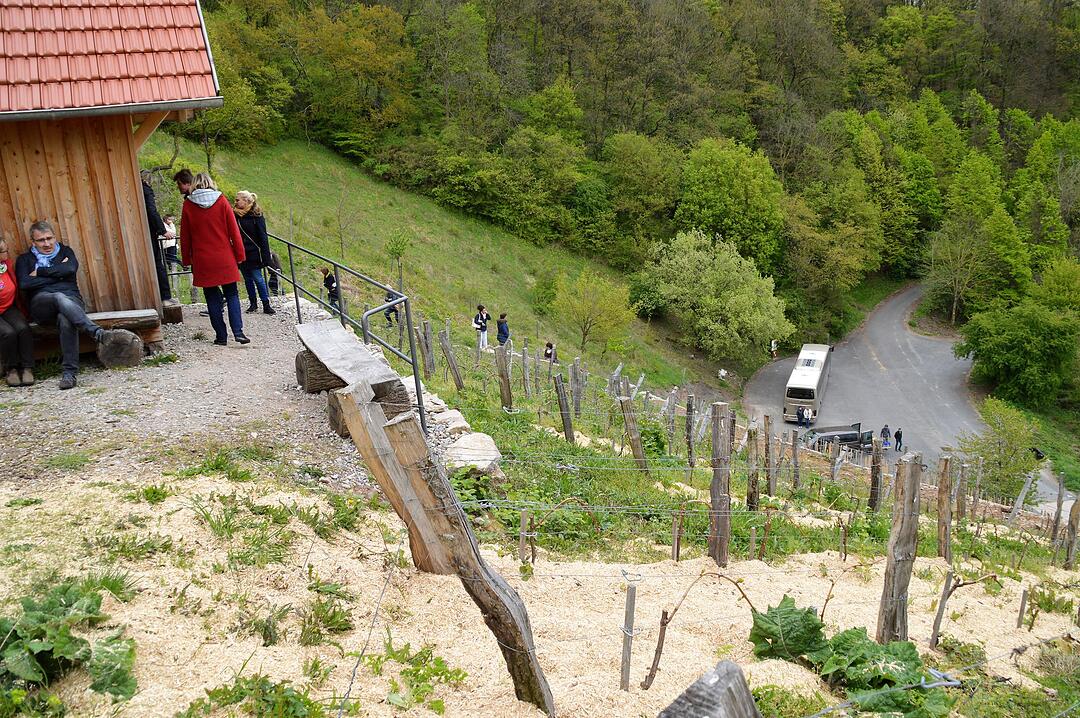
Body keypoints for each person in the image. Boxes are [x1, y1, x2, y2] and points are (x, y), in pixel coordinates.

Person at [15, 221, 112, 389]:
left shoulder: (66, 251)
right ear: (33, 242)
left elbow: (70, 269)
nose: (47, 244)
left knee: (65, 318)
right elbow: (24, 283)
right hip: (41, 305)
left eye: (49, 238)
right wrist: (58, 273)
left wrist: (40, 272)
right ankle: (95, 331)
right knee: (58, 296)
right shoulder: (25, 259)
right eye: (41, 240)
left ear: (55, 237)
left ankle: (69, 374)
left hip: (72, 301)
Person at [180, 173, 249, 346]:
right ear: (211, 183)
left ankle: (221, 336)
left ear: (194, 185)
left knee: (211, 297)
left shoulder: (188, 205)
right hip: (224, 256)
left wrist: (186, 259)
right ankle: (238, 332)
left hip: (202, 259)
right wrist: (240, 255)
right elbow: (234, 231)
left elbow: (185, 236)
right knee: (232, 294)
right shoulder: (222, 201)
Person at [234, 190, 275, 315]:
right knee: (247, 279)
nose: (235, 202)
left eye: (238, 200)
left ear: (246, 201)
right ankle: (253, 303)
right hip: (241, 252)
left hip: (254, 253)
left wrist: (266, 256)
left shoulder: (256, 215)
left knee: (258, 278)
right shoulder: (234, 215)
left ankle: (265, 304)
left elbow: (263, 236)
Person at [0, 239, 33, 387]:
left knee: (23, 328)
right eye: (4, 251)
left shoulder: (6, 266)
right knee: (8, 333)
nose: (7, 253)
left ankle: (27, 367)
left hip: (8, 307)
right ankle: (11, 369)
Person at [141, 170, 172, 303]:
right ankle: (165, 296)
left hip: (141, 231)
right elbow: (152, 211)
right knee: (157, 263)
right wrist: (162, 230)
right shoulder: (146, 190)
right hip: (148, 232)